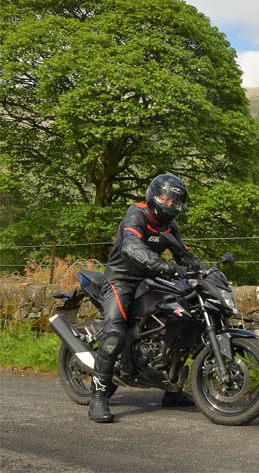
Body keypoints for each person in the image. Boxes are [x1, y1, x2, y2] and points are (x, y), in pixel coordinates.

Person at [89, 174, 205, 423]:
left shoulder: (170, 227)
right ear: (153, 196)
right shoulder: (137, 214)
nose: (170, 205)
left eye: (176, 202)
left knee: (182, 323)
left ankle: (172, 391)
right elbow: (131, 246)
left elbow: (183, 254)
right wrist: (162, 265)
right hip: (120, 280)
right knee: (114, 335)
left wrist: (205, 271)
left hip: (150, 280)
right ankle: (98, 397)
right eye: (166, 199)